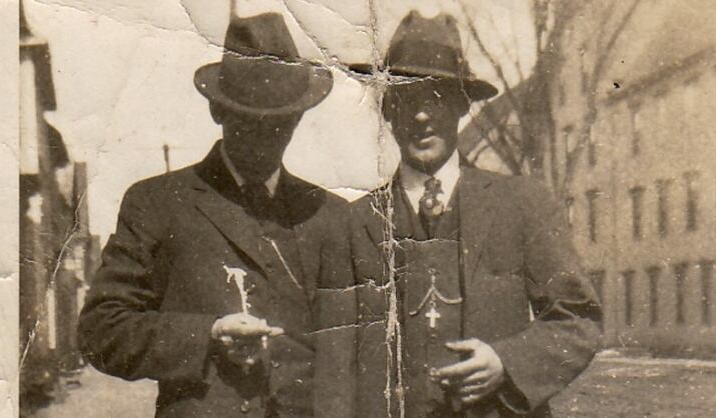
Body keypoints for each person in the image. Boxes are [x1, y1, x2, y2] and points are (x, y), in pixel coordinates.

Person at [331, 11, 602, 418]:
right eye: (407, 97)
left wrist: (506, 363)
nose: (422, 116)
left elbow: (579, 320)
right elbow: (335, 363)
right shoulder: (356, 223)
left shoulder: (521, 203)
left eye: (436, 97)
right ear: (387, 111)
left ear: (461, 106)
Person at [78, 13, 348, 417]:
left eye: (281, 120)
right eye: (249, 119)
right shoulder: (159, 203)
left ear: (298, 117)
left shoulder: (330, 216)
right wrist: (205, 336)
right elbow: (102, 330)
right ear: (218, 112)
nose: (267, 135)